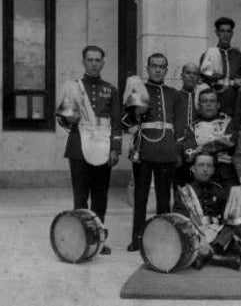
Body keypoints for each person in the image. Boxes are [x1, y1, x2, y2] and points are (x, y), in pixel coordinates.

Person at [57, 45, 121, 255]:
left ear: (103, 63)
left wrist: (115, 148)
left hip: (103, 146)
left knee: (100, 197)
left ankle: (98, 238)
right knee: (80, 196)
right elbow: (63, 118)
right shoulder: (74, 86)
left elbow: (116, 122)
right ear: (84, 62)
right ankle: (81, 238)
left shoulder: (110, 89)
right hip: (78, 146)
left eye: (97, 60)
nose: (94, 64)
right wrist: (69, 118)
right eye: (90, 60)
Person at [122, 53, 186, 252]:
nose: (158, 70)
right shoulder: (138, 89)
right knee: (140, 198)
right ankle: (138, 238)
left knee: (164, 198)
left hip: (167, 148)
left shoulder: (174, 94)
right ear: (147, 68)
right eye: (154, 66)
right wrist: (135, 114)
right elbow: (124, 121)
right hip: (144, 148)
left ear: (166, 70)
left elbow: (180, 127)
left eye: (162, 66)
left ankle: (163, 238)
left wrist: (176, 151)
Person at [173, 152, 241, 270]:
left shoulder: (219, 190)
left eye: (209, 166)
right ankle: (219, 259)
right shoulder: (183, 192)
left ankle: (205, 255)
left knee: (233, 227)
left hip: (217, 237)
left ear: (213, 170)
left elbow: (225, 218)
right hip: (194, 234)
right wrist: (199, 237)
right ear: (193, 168)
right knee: (182, 234)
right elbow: (182, 221)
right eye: (201, 165)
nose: (205, 169)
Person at [181, 88, 239, 189]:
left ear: (218, 105)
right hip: (203, 171)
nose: (209, 104)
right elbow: (189, 155)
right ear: (199, 106)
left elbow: (230, 142)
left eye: (212, 101)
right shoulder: (191, 127)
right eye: (204, 101)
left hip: (225, 173)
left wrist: (202, 148)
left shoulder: (229, 122)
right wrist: (217, 149)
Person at [199, 17, 241, 116]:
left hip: (234, 99)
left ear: (232, 33)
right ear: (217, 33)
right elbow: (201, 80)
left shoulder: (239, 56)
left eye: (228, 31)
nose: (225, 34)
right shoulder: (209, 54)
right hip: (214, 99)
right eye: (222, 31)